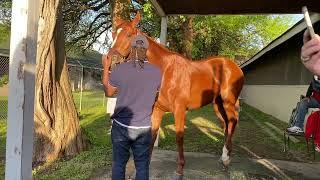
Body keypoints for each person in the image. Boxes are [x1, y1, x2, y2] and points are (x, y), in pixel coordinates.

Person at [102, 35, 161, 180]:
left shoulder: (120, 70)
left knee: (119, 164)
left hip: (121, 126)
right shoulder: (156, 72)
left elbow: (109, 92)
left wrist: (105, 67)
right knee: (142, 166)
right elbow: (156, 96)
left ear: (132, 49)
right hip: (143, 127)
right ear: (146, 51)